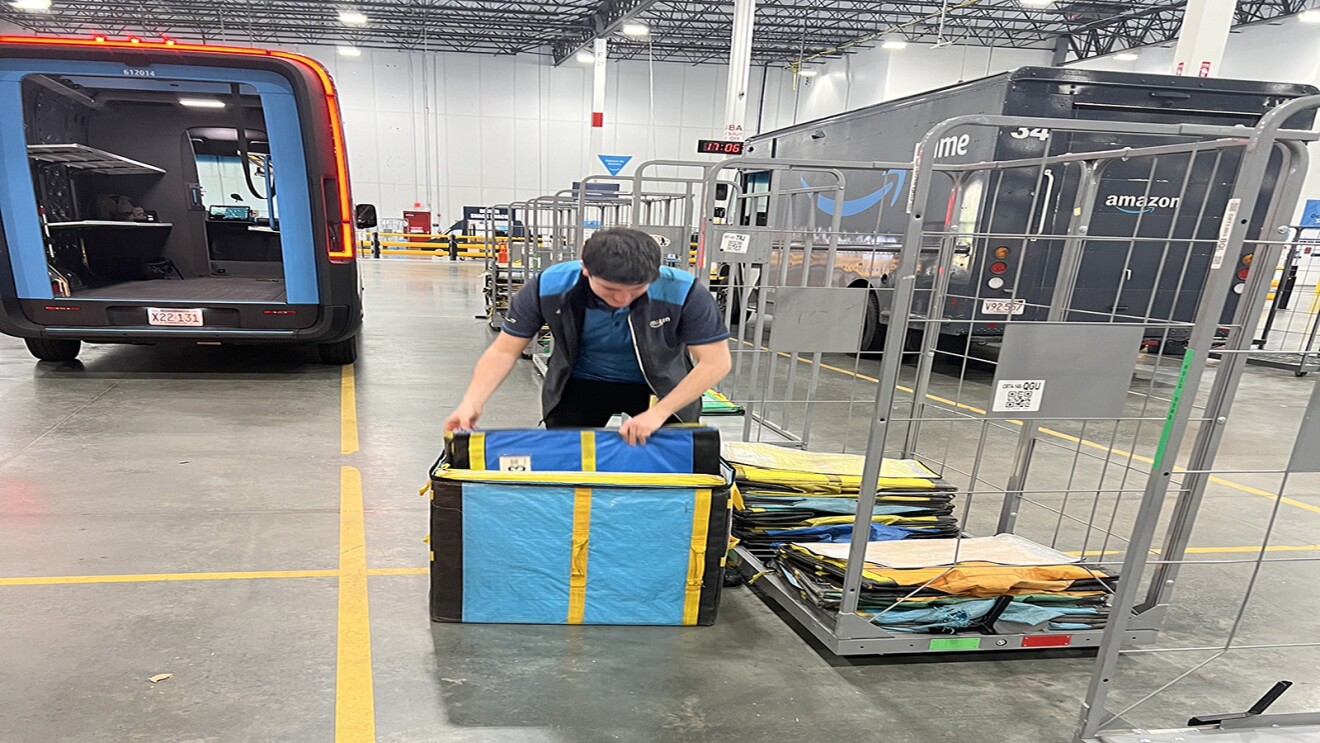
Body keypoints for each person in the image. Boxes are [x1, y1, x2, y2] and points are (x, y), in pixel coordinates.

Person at [443, 227, 731, 445]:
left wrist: (660, 413)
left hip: (660, 387)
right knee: (566, 463)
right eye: (609, 289)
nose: (622, 298)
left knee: (671, 469)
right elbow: (504, 350)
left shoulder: (684, 291)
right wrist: (471, 403)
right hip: (580, 383)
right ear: (585, 270)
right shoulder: (550, 286)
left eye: (636, 289)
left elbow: (715, 362)